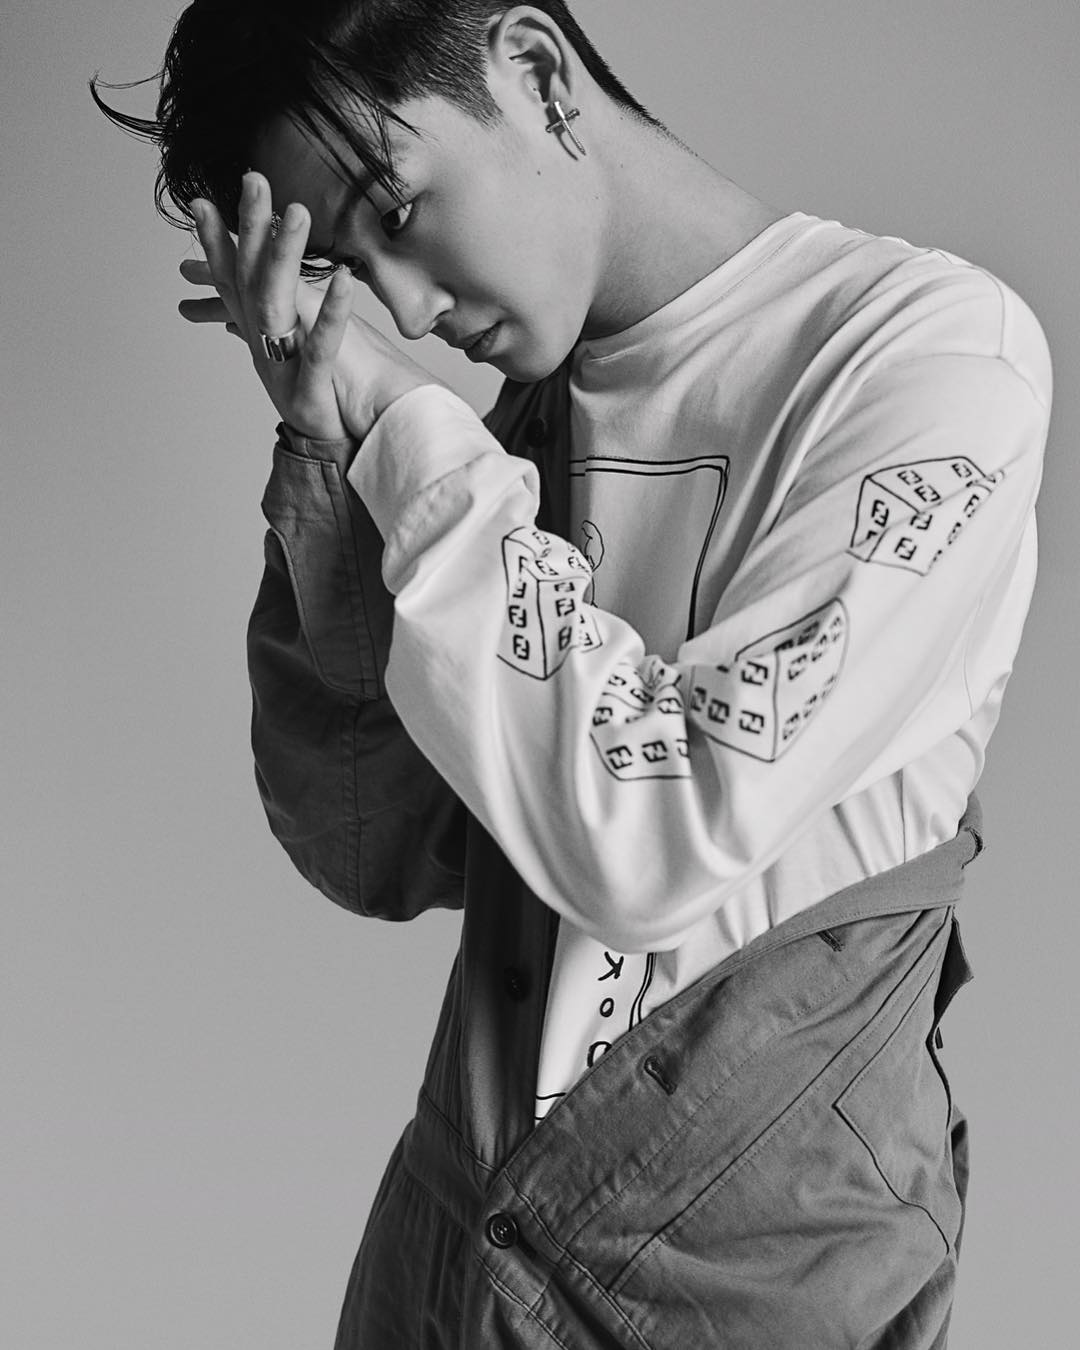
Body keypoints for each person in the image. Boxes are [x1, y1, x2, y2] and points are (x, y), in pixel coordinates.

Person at [93, 2, 1051, 1345]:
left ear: (536, 70)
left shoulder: (923, 355)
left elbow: (651, 829)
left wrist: (407, 426)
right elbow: (369, 842)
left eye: (397, 211)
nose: (405, 310)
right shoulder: (508, 443)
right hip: (447, 1270)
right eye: (353, 267)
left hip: (739, 1295)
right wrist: (330, 445)